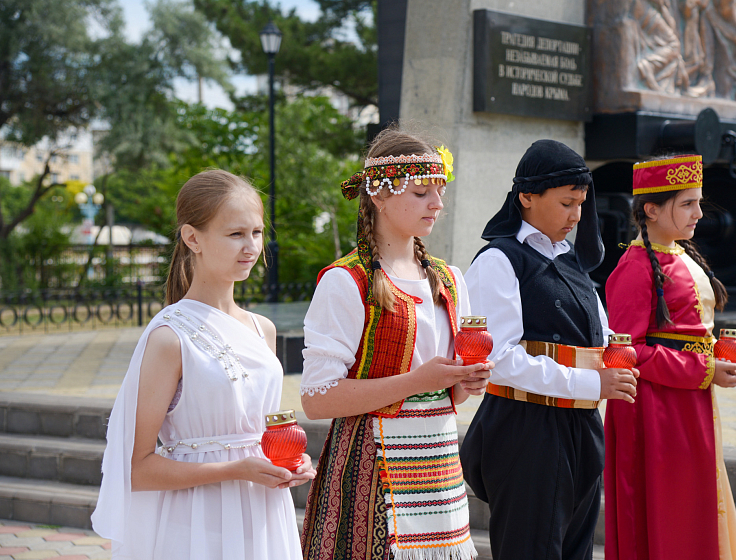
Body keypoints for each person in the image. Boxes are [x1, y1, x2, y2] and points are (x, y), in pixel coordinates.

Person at [92, 170, 316, 560]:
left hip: (262, 512)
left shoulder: (263, 329)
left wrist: (291, 461)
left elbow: (264, 430)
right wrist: (235, 470)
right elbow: (137, 469)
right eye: (235, 234)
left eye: (257, 233)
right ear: (192, 238)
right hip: (195, 519)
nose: (250, 247)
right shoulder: (169, 338)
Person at [300, 127, 492, 560]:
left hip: (439, 464)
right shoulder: (347, 280)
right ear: (380, 195)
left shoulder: (448, 279)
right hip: (374, 466)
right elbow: (316, 399)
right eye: (422, 192)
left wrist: (467, 380)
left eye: (439, 191)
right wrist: (415, 380)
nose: (437, 204)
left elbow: (450, 394)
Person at [461, 140, 640, 560]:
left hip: (581, 427)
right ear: (526, 197)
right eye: (565, 203)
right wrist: (592, 382)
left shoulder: (571, 260)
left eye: (580, 203)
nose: (576, 215)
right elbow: (498, 359)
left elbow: (602, 334)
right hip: (527, 431)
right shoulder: (499, 261)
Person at [604, 154, 736, 560]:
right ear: (651, 209)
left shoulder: (680, 256)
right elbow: (627, 351)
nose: (699, 213)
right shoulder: (634, 268)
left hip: (687, 400)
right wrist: (705, 369)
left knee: (694, 503)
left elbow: (687, 334)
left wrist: (715, 359)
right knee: (670, 513)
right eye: (687, 204)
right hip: (655, 411)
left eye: (698, 202)